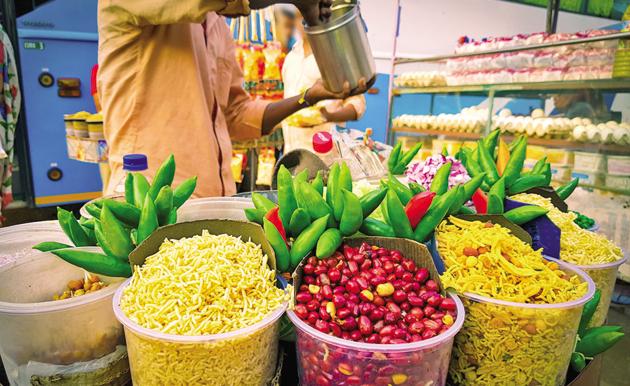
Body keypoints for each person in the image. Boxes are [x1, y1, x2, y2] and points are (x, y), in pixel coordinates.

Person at [97, 0, 367, 197]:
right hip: (149, 199)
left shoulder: (216, 26)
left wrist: (307, 98)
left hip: (214, 197)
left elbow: (236, 114)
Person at [281, 10, 366, 153]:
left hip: (325, 156)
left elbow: (357, 105)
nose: (303, 21)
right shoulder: (291, 58)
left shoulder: (335, 57)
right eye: (299, 16)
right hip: (291, 152)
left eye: (308, 15)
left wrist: (328, 116)